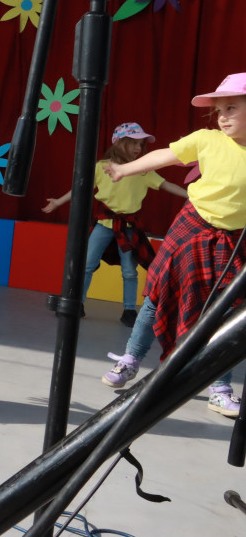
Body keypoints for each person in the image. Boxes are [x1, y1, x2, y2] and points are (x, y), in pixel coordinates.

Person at [100, 74, 246, 418]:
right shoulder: (208, 140)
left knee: (220, 313)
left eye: (231, 108)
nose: (222, 116)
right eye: (219, 110)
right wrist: (124, 170)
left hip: (232, 238)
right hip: (192, 226)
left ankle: (219, 388)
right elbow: (165, 155)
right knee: (157, 296)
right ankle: (131, 359)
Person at [43, 122, 188, 326]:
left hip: (128, 228)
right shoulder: (101, 168)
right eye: (134, 143)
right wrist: (58, 201)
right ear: (119, 143)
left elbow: (166, 185)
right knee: (87, 265)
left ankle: (129, 310)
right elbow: (80, 187)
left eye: (141, 144)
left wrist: (192, 194)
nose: (139, 149)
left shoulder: (143, 171)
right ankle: (77, 303)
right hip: (104, 225)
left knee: (129, 271)